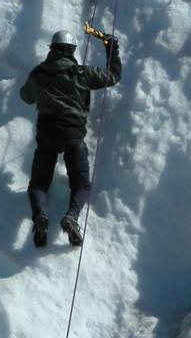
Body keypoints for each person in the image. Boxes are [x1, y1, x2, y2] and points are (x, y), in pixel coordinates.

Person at [20, 30, 122, 247]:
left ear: (52, 48)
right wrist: (111, 48)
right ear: (73, 50)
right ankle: (71, 217)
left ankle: (39, 214)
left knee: (39, 182)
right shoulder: (81, 73)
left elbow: (26, 96)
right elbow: (112, 77)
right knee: (81, 184)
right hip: (73, 134)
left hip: (46, 134)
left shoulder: (38, 73)